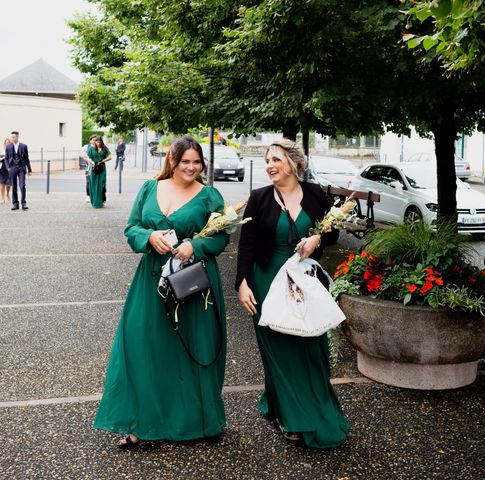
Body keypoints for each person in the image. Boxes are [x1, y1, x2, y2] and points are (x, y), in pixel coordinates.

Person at [94, 135, 229, 447]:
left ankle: (197, 421)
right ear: (173, 160)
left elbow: (222, 239)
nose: (192, 168)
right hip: (151, 279)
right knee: (142, 347)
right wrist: (149, 236)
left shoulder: (210, 196)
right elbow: (132, 229)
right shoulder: (149, 189)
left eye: (197, 162)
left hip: (193, 282)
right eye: (186, 162)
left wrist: (196, 244)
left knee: (191, 349)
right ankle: (141, 422)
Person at [235, 139, 350, 449]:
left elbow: (332, 231)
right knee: (279, 347)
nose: (270, 165)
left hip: (304, 277)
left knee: (311, 346)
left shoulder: (314, 193)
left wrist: (316, 240)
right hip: (267, 277)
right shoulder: (259, 198)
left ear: (294, 163)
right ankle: (292, 417)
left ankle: (293, 403)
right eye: (268, 160)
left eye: (276, 159)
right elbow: (246, 244)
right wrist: (242, 283)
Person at [5, 131, 32, 210]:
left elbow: (26, 158)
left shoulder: (24, 146)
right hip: (12, 168)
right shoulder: (8, 146)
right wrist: (8, 168)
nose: (12, 139)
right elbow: (6, 159)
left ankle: (23, 203)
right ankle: (15, 204)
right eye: (11, 137)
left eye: (13, 137)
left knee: (22, 185)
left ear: (17, 137)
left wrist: (29, 169)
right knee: (14, 187)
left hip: (21, 168)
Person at [87, 136, 112, 208]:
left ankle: (101, 201)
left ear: (101, 142)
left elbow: (110, 157)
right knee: (93, 185)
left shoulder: (104, 148)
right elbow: (87, 157)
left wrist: (102, 161)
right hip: (94, 168)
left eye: (99, 142)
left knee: (102, 184)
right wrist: (91, 162)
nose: (98, 143)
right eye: (96, 142)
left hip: (102, 169)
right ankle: (95, 202)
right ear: (94, 142)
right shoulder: (91, 149)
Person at [0, 138, 12, 204]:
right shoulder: (0, 149)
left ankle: (7, 194)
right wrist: (1, 158)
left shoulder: (12, 149)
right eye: (6, 142)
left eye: (9, 143)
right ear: (4, 143)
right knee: (2, 183)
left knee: (9, 184)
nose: (7, 144)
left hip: (9, 169)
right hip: (1, 168)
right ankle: (2, 198)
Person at [81, 136, 97, 203]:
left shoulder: (98, 147)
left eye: (96, 140)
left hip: (97, 167)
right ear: (90, 140)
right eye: (93, 140)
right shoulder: (86, 147)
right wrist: (88, 160)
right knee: (88, 181)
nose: (94, 141)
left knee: (96, 182)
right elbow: (82, 154)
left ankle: (96, 196)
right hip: (88, 167)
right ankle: (88, 196)